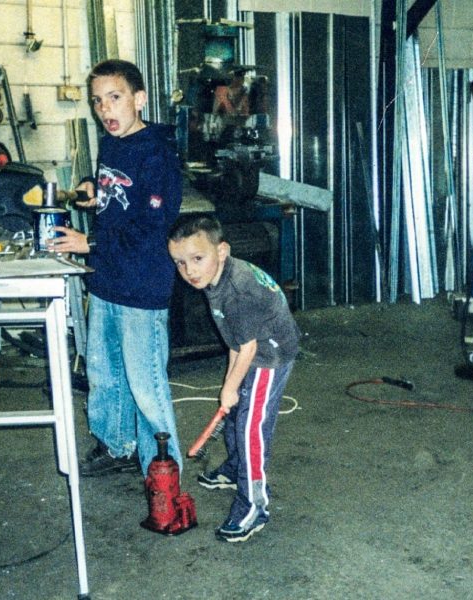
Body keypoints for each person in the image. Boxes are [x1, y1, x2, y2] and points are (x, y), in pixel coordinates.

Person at [49, 59, 183, 478]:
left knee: (146, 386)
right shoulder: (113, 143)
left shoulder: (157, 154)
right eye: (98, 101)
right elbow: (117, 190)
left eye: (115, 97)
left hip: (142, 285)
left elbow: (153, 226)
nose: (106, 109)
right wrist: (93, 187)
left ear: (139, 99)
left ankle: (164, 470)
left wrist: (88, 242)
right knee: (104, 374)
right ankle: (117, 445)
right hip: (106, 280)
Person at [167, 215, 300, 543]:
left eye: (198, 259)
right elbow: (235, 341)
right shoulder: (215, 278)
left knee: (250, 428)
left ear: (221, 250)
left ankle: (254, 505)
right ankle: (233, 467)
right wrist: (231, 385)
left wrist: (229, 387)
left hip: (271, 354)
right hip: (251, 347)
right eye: (180, 263)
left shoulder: (237, 290)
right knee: (237, 412)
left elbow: (249, 347)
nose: (190, 271)